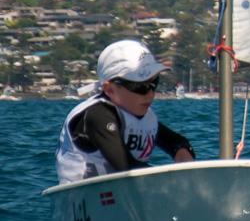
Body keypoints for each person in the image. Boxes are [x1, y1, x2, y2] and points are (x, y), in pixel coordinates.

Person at [56, 40, 195, 184]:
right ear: (110, 89)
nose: (149, 94)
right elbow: (124, 167)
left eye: (154, 83)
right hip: (85, 199)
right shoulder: (97, 115)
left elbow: (176, 142)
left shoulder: (143, 117)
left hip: (126, 196)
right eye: (139, 86)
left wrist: (183, 157)